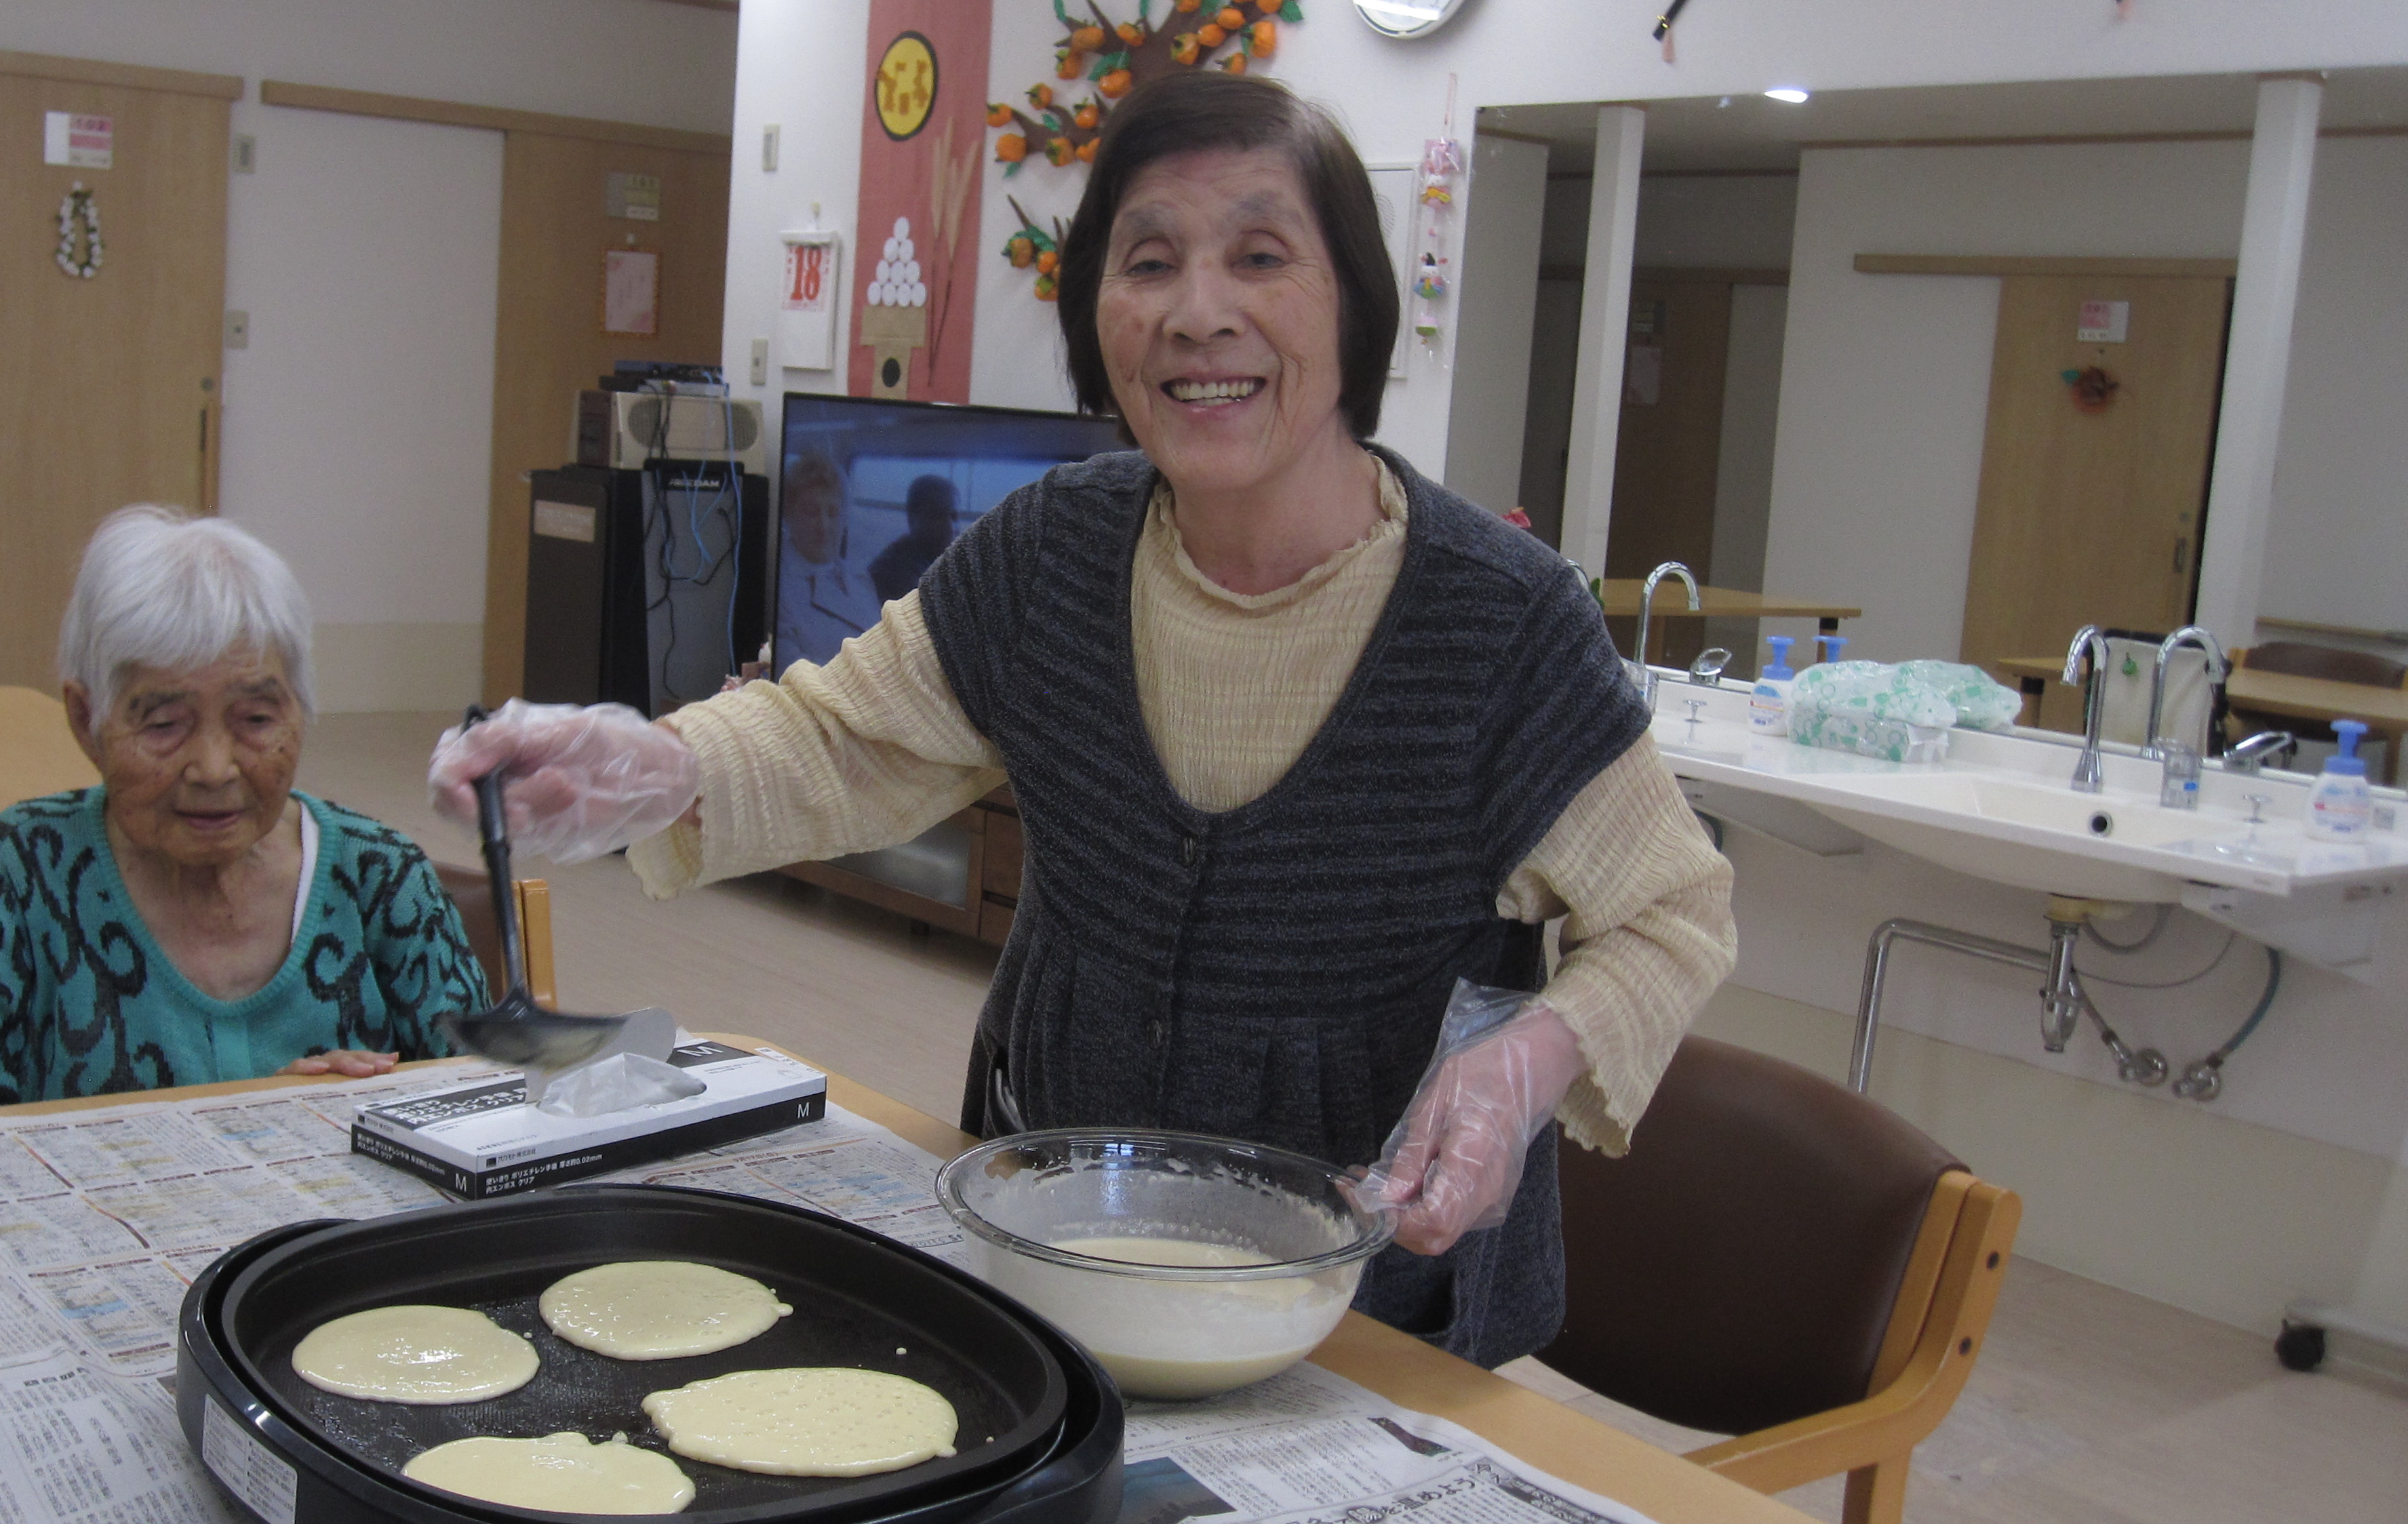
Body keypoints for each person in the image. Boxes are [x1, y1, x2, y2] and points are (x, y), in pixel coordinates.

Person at [431, 73, 1733, 1367]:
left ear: (1357, 306)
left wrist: (1528, 1062)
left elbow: (1673, 912)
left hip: (1368, 1307)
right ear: (1096, 315)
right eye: (1149, 262)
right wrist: (656, 762)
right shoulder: (1056, 548)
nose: (1197, 313)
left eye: (1260, 256)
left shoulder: (1499, 623)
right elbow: (846, 734)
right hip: (1054, 1236)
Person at [0, 507, 487, 1117]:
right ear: (86, 720)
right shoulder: (25, 871)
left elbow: (493, 1105)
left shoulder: (382, 877)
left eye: (256, 719)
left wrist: (358, 1118)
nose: (214, 769)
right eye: (165, 724)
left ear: (301, 711)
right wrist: (251, 1120)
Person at [771, 453, 880, 668]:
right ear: (789, 516)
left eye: (833, 513)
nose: (823, 526)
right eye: (812, 513)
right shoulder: (778, 584)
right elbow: (789, 668)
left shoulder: (861, 580)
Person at [867, 475, 962, 603]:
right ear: (912, 519)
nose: (950, 528)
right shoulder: (892, 574)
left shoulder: (933, 562)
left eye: (954, 517)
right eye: (937, 516)